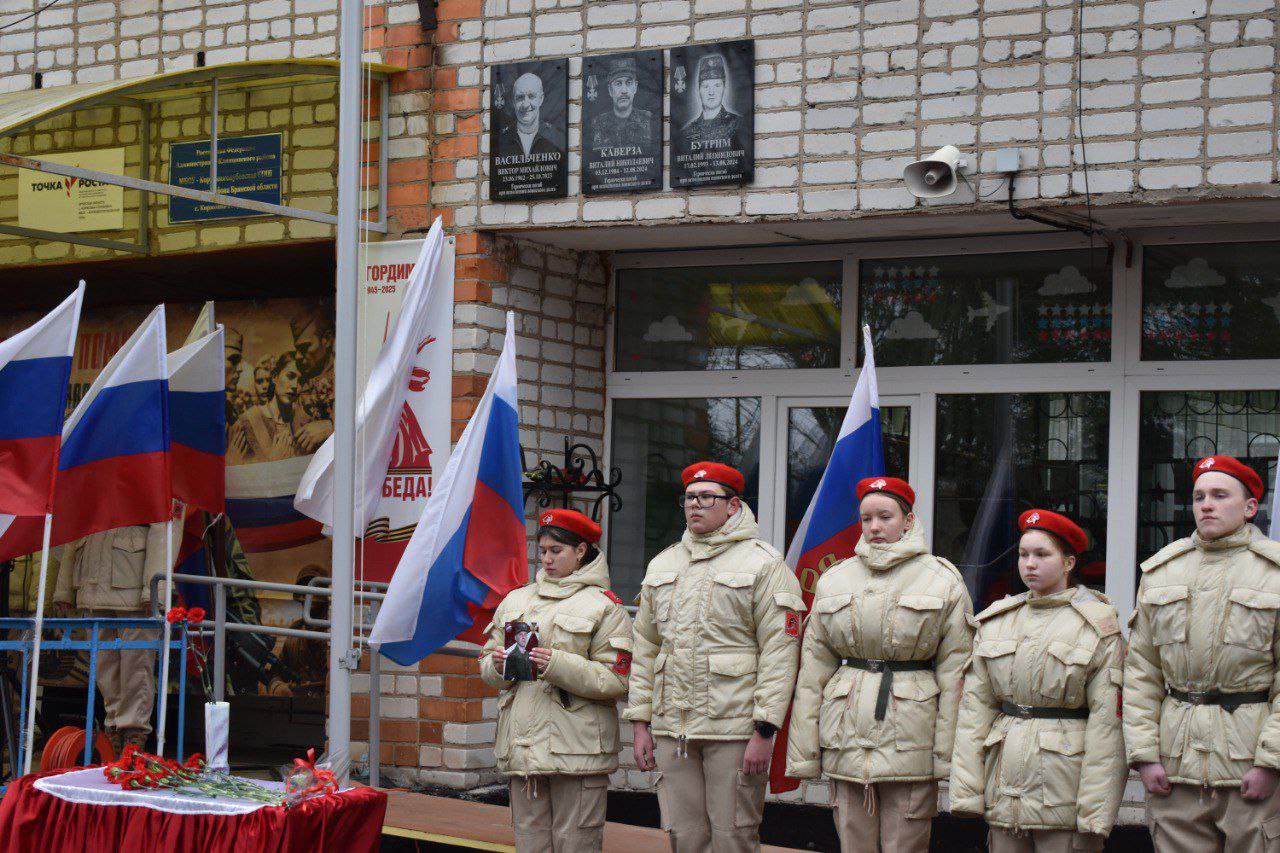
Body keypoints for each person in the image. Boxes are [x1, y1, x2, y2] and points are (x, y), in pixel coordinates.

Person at [786, 476, 972, 853]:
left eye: (885, 516)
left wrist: (948, 755)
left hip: (912, 737)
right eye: (866, 518)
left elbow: (957, 674)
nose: (874, 527)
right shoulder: (834, 579)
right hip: (846, 734)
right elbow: (813, 673)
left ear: (907, 519)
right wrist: (804, 751)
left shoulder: (942, 579)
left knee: (906, 845)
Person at [626, 462, 805, 852]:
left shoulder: (764, 564)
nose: (695, 505)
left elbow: (780, 654)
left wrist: (764, 730)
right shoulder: (664, 563)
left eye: (707, 497)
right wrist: (641, 722)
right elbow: (645, 650)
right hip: (674, 728)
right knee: (684, 836)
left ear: (733, 505)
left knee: (733, 837)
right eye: (689, 497)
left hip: (735, 729)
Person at [1125, 455, 1280, 851]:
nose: (1206, 504)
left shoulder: (1274, 574)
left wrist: (1270, 763)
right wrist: (1145, 756)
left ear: (1249, 508)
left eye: (1219, 495)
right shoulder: (1162, 571)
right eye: (1198, 496)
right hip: (1175, 768)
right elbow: (1142, 672)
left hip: (1249, 764)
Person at [950, 509, 1126, 852]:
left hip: (1063, 794)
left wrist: (1096, 812)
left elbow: (1107, 729)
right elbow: (974, 713)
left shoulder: (1097, 626)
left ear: (1069, 563)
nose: (1030, 563)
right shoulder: (998, 621)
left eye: (1042, 554)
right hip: (1004, 790)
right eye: (1023, 554)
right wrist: (967, 792)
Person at [480, 509, 633, 853]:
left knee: (576, 844)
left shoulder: (604, 607)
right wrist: (498, 664)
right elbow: (487, 666)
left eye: (556, 551)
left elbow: (617, 679)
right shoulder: (517, 599)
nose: (546, 559)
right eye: (543, 550)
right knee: (529, 845)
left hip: (577, 751)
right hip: (523, 749)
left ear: (581, 551)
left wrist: (557, 664)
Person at [52, 523, 178, 755]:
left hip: (133, 583)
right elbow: (77, 524)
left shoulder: (152, 485)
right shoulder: (90, 485)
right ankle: (115, 730)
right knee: (103, 666)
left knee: (136, 665)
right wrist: (64, 588)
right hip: (92, 582)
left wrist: (154, 590)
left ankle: (132, 733)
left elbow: (164, 529)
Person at [228, 352, 329, 462]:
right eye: (290, 376)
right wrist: (271, 462)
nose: (295, 386)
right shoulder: (248, 421)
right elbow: (237, 471)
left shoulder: (307, 420)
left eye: (300, 381)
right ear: (275, 377)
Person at [679, 54, 745, 151]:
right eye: (706, 87)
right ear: (698, 90)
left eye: (717, 85)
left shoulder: (739, 125)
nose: (711, 92)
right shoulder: (686, 133)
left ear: (724, 88)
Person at [589, 56, 653, 149]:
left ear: (635, 87)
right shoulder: (597, 124)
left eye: (629, 83)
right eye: (618, 83)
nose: (624, 90)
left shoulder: (648, 120)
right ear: (610, 90)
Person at [497, 72, 562, 157]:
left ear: (541, 99)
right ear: (513, 101)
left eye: (531, 96)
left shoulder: (556, 136)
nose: (526, 104)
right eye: (520, 97)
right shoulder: (501, 139)